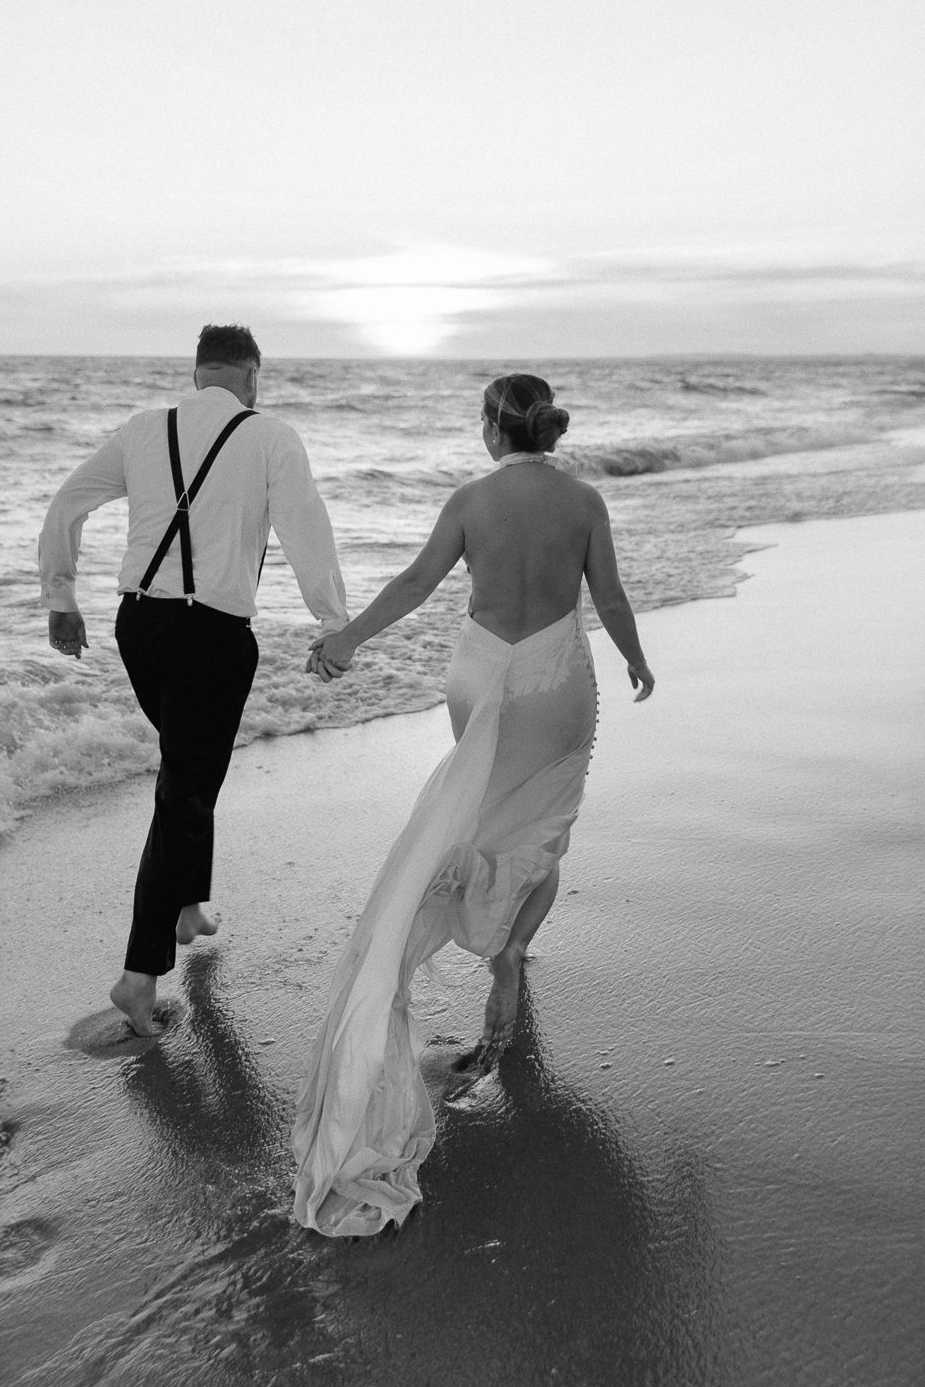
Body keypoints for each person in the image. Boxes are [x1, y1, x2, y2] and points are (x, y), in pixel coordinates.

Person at [292, 372, 654, 1236]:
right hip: (556, 679)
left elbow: (419, 583)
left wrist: (347, 639)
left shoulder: (469, 499)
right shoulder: (584, 500)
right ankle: (511, 951)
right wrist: (638, 659)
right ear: (548, 429)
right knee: (544, 831)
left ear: (495, 428)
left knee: (473, 820)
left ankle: (461, 920)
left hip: (480, 671)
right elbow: (605, 598)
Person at [38, 324, 347, 1037]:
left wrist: (61, 597)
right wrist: (333, 621)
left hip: (136, 628)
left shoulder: (146, 429)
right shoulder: (271, 436)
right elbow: (306, 526)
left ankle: (189, 908)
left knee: (190, 766)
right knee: (183, 790)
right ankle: (138, 974)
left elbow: (67, 503)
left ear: (197, 372)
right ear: (253, 375)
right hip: (211, 636)